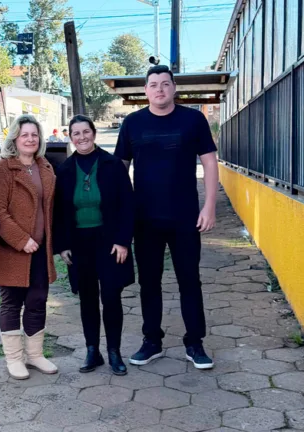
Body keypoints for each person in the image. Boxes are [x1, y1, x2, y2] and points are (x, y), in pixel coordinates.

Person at [115, 64, 219, 370]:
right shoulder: (133, 124)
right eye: (153, 85)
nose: (159, 89)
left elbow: (210, 163)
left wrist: (209, 206)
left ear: (174, 88)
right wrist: (117, 213)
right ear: (145, 91)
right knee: (149, 282)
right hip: (144, 219)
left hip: (186, 217)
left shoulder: (193, 120)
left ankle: (195, 343)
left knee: (190, 280)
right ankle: (152, 341)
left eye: (165, 84)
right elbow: (119, 170)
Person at [54, 114, 135, 376]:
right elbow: (59, 211)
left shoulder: (112, 165)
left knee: (111, 297)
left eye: (85, 131)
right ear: (70, 137)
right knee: (87, 299)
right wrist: (63, 244)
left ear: (94, 133)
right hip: (79, 243)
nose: (81, 137)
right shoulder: (65, 170)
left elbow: (127, 205)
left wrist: (123, 241)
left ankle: (114, 352)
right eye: (75, 133)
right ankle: (92, 351)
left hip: (109, 241)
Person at [0, 115, 59, 380]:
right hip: (13, 249)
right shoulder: (2, 169)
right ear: (14, 137)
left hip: (41, 249)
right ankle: (14, 359)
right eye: (25, 134)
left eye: (34, 135)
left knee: (37, 301)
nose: (30, 139)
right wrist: (21, 239)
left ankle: (35, 355)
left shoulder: (44, 166)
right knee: (12, 303)